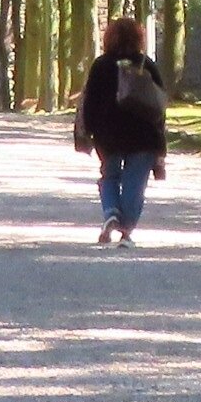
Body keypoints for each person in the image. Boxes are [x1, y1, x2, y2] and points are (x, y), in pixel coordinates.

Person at [73, 15, 170, 245]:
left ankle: (111, 213)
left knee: (109, 176)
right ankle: (126, 232)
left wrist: (89, 132)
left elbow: (89, 102)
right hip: (144, 135)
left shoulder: (101, 65)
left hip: (109, 135)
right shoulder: (147, 65)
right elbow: (160, 105)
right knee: (135, 184)